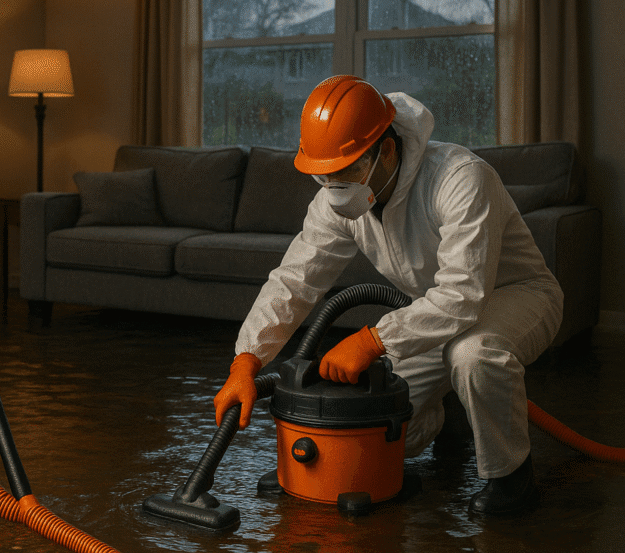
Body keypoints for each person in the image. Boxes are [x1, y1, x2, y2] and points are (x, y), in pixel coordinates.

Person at [213, 75, 563, 514]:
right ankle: (455, 410)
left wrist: (372, 339)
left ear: (388, 149)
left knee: (473, 354)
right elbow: (294, 280)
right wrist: (246, 360)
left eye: (350, 169)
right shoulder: (338, 202)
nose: (337, 186)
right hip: (434, 313)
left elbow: (463, 295)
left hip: (518, 295)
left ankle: (512, 481)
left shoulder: (459, 178)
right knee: (382, 425)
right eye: (326, 175)